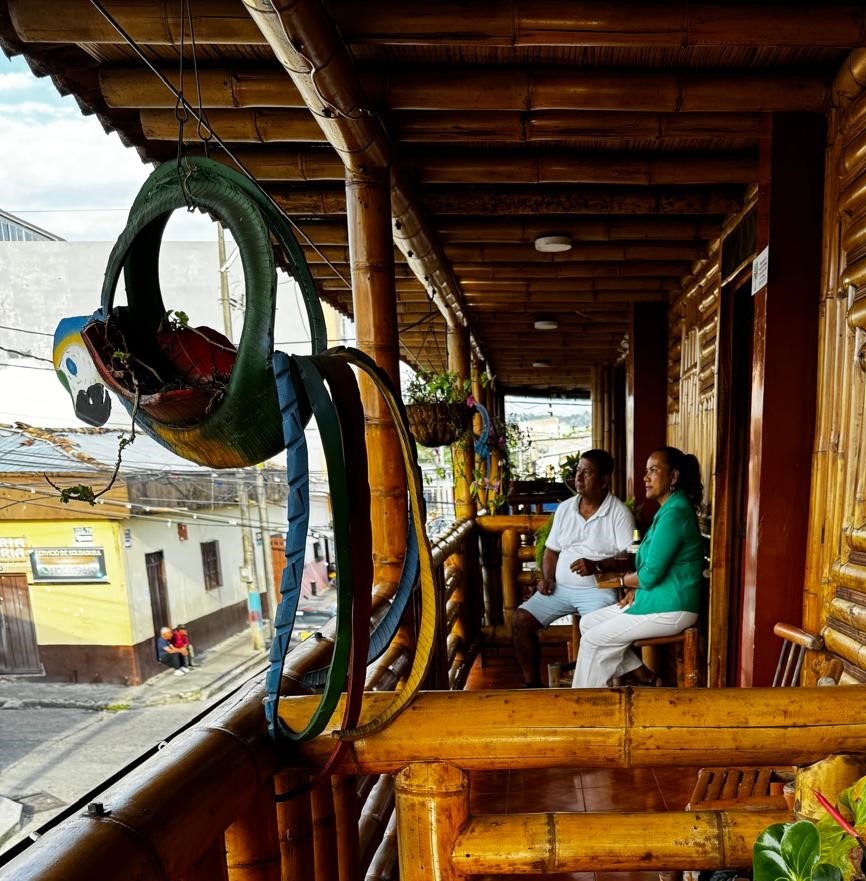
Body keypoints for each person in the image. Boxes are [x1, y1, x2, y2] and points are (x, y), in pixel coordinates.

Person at [572, 446, 705, 689]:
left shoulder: (675, 513)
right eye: (646, 471)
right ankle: (641, 675)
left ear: (673, 477)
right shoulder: (669, 510)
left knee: (593, 640)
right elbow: (651, 570)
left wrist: (626, 582)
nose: (645, 477)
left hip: (673, 607)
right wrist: (638, 587)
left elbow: (650, 574)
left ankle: (582, 706)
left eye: (653, 471)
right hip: (657, 598)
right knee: (588, 623)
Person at [512, 449, 635, 687]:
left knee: (601, 630)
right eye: (578, 471)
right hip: (559, 589)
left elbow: (629, 556)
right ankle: (532, 686)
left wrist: (597, 564)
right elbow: (551, 550)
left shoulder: (619, 513)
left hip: (598, 590)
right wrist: (548, 578)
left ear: (603, 480)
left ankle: (603, 686)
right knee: (520, 619)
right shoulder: (566, 508)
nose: (578, 477)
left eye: (586, 472)